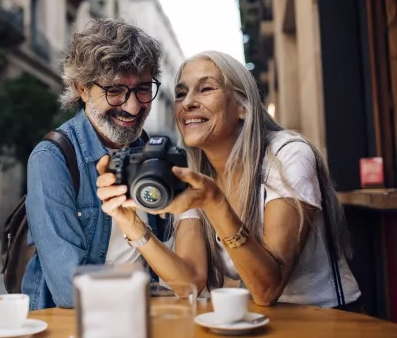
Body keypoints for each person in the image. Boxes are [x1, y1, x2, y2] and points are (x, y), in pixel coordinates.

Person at [96, 50, 362, 310]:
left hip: (327, 317)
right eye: (180, 93)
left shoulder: (287, 155)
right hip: (262, 321)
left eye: (206, 89)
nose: (187, 102)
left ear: (243, 107)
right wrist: (129, 222)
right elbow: (190, 280)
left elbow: (267, 288)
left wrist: (214, 201)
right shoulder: (190, 170)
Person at [22, 18, 170, 311]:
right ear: (82, 88)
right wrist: (149, 290)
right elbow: (69, 288)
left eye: (142, 88)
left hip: (144, 317)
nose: (132, 106)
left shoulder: (151, 151)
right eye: (115, 90)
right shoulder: (52, 158)